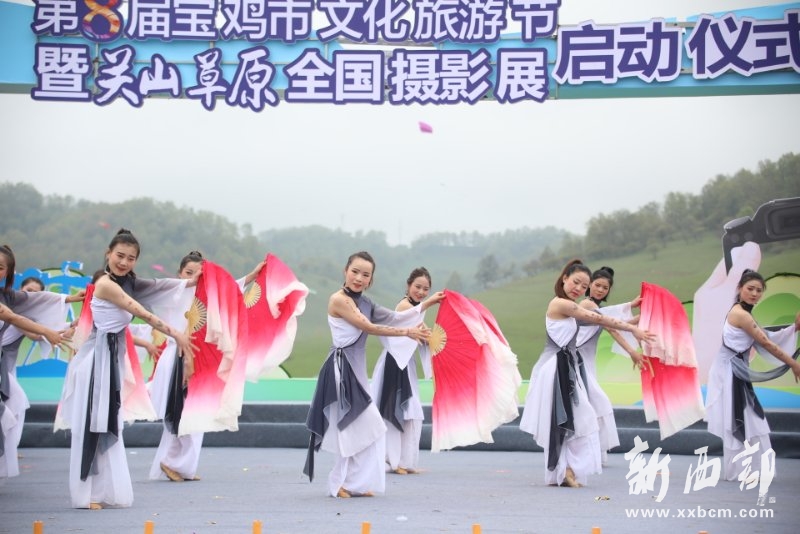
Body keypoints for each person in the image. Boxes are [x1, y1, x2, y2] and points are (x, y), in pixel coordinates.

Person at [57, 229, 197, 509]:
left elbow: (165, 286)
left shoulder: (130, 282)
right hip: (95, 364)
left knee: (107, 425)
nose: (124, 262)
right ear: (108, 254)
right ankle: (84, 494)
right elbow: (141, 312)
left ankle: (99, 492)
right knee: (93, 425)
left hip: (110, 362)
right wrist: (177, 334)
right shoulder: (106, 284)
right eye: (119, 255)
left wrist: (207, 280)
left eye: (131, 258)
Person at [304, 251, 444, 498]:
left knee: (370, 431)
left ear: (371, 279)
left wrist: (429, 303)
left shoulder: (367, 303)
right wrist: (407, 332)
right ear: (345, 271)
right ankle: (339, 484)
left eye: (365, 274)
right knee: (352, 430)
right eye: (355, 272)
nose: (359, 278)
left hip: (355, 372)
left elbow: (395, 317)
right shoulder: (339, 300)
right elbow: (368, 326)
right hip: (341, 371)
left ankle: (355, 484)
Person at [519, 259, 654, 488]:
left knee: (574, 421)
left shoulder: (572, 308)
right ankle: (565, 470)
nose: (579, 288)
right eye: (576, 282)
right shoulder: (561, 304)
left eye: (583, 286)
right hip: (557, 369)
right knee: (577, 419)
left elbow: (601, 322)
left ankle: (565, 471)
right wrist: (632, 327)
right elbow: (599, 318)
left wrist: (634, 319)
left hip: (567, 367)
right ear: (564, 278)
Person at [705, 269, 800, 481]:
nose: (755, 293)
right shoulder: (741, 314)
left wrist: (794, 328)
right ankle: (744, 470)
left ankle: (746, 470)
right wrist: (793, 363)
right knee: (743, 419)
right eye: (750, 289)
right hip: (729, 373)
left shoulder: (743, 312)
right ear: (740, 289)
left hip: (734, 372)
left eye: (759, 290)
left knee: (749, 419)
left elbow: (764, 336)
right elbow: (765, 342)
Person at [577, 266, 644, 464]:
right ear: (589, 285)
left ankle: (593, 452)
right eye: (597, 285)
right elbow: (612, 327)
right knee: (598, 403)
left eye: (605, 288)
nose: (600, 290)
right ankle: (590, 452)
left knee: (592, 405)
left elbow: (617, 324)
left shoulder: (597, 309)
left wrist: (642, 315)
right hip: (576, 361)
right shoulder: (586, 305)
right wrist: (632, 351)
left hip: (586, 362)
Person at [371, 267, 434, 475]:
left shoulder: (416, 309)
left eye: (426, 289)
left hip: (407, 365)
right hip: (395, 363)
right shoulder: (405, 306)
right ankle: (394, 461)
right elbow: (412, 324)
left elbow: (422, 333)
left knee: (411, 413)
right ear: (409, 285)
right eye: (418, 287)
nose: (421, 292)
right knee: (396, 410)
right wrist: (432, 301)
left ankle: (406, 461)